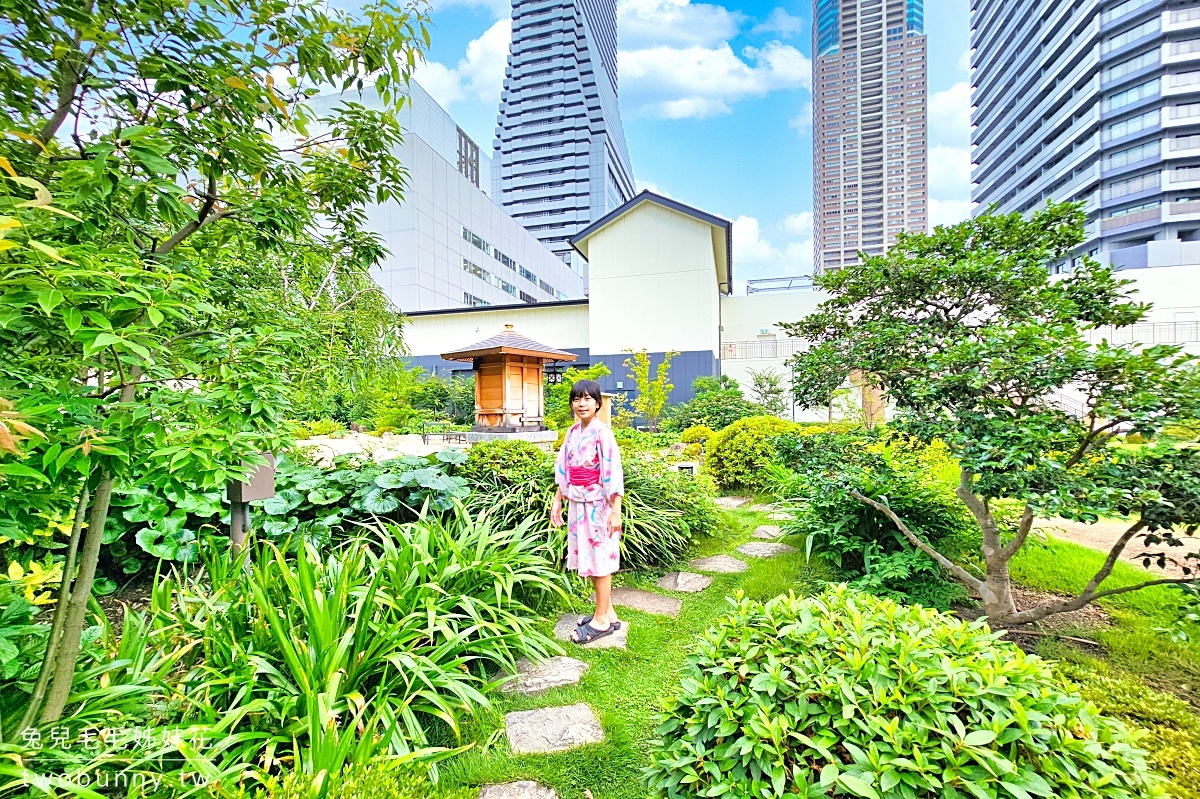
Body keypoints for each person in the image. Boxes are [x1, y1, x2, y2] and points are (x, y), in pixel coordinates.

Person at [551, 378, 625, 645]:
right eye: (576, 399)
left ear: (597, 403)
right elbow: (565, 468)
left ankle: (601, 622)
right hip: (577, 504)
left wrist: (615, 511)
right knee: (592, 558)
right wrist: (558, 498)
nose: (581, 404)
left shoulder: (603, 433)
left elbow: (612, 472)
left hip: (598, 506)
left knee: (601, 559)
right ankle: (609, 613)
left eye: (587, 399)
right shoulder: (572, 432)